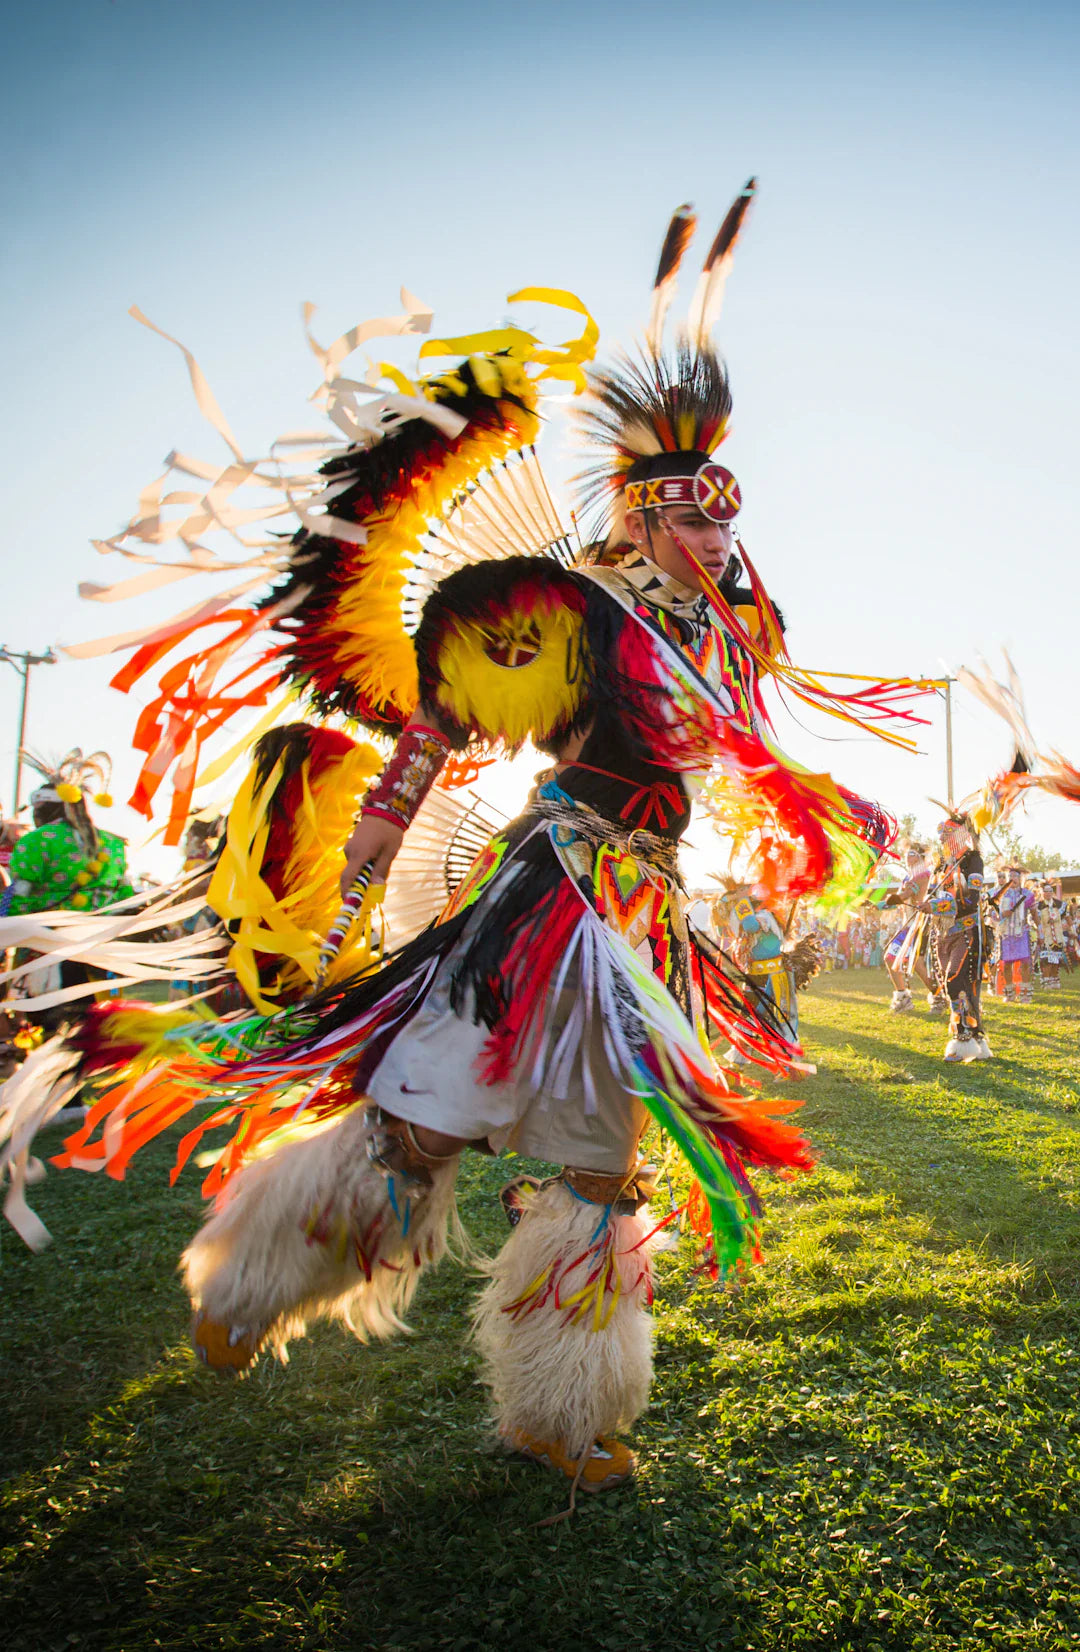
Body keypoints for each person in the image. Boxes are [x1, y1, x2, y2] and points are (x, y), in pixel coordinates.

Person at [49, 191, 922, 1498]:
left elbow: (738, 728)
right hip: (545, 899)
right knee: (421, 1129)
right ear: (636, 516)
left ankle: (558, 1414)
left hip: (640, 928)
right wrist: (364, 860)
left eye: (727, 515)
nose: (718, 535)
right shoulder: (572, 609)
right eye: (692, 514)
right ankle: (252, 1283)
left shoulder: (720, 630)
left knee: (600, 1171)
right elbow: (445, 727)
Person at [923, 813, 991, 1060]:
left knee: (957, 981)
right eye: (941, 834)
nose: (942, 838)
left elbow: (971, 899)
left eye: (948, 834)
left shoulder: (973, 861)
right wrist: (926, 903)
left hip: (966, 930)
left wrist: (937, 906)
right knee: (953, 985)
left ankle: (962, 1040)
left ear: (960, 835)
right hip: (942, 933)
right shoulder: (941, 865)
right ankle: (976, 1037)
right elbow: (932, 894)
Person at [882, 845, 943, 1012]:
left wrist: (888, 901)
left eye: (912, 854)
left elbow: (905, 895)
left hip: (919, 924)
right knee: (890, 957)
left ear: (921, 858)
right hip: (907, 925)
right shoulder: (911, 876)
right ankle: (903, 997)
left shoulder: (923, 876)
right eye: (907, 853)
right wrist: (885, 904)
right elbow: (901, 898)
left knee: (916, 962)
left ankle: (938, 995)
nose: (908, 857)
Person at [991, 866, 1037, 1004]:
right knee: (1006, 964)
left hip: (1022, 932)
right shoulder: (999, 894)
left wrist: (1040, 931)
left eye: (1015, 876)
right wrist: (1001, 914)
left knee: (1025, 963)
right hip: (1006, 934)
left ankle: (1025, 994)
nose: (1013, 879)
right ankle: (1009, 994)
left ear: (1021, 879)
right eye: (1010, 876)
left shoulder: (1028, 895)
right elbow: (992, 913)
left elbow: (1034, 914)